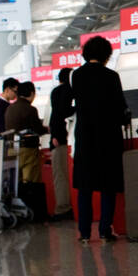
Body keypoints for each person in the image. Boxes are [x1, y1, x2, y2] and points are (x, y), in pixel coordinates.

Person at [70, 36, 128, 244]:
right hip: (108, 137)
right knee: (107, 186)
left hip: (85, 137)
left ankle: (84, 233)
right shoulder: (111, 76)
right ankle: (105, 230)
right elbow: (120, 106)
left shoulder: (76, 76)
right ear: (106, 54)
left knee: (84, 188)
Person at [5, 81, 49, 223]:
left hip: (12, 149)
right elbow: (37, 129)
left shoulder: (9, 109)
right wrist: (47, 129)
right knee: (31, 181)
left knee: (17, 182)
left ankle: (19, 212)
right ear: (31, 93)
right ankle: (33, 213)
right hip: (28, 149)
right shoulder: (30, 109)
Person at [49, 67, 75, 221]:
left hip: (56, 138)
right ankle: (63, 208)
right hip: (62, 139)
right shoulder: (68, 90)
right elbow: (63, 112)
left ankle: (63, 207)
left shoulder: (55, 91)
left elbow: (55, 114)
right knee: (62, 175)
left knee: (60, 176)